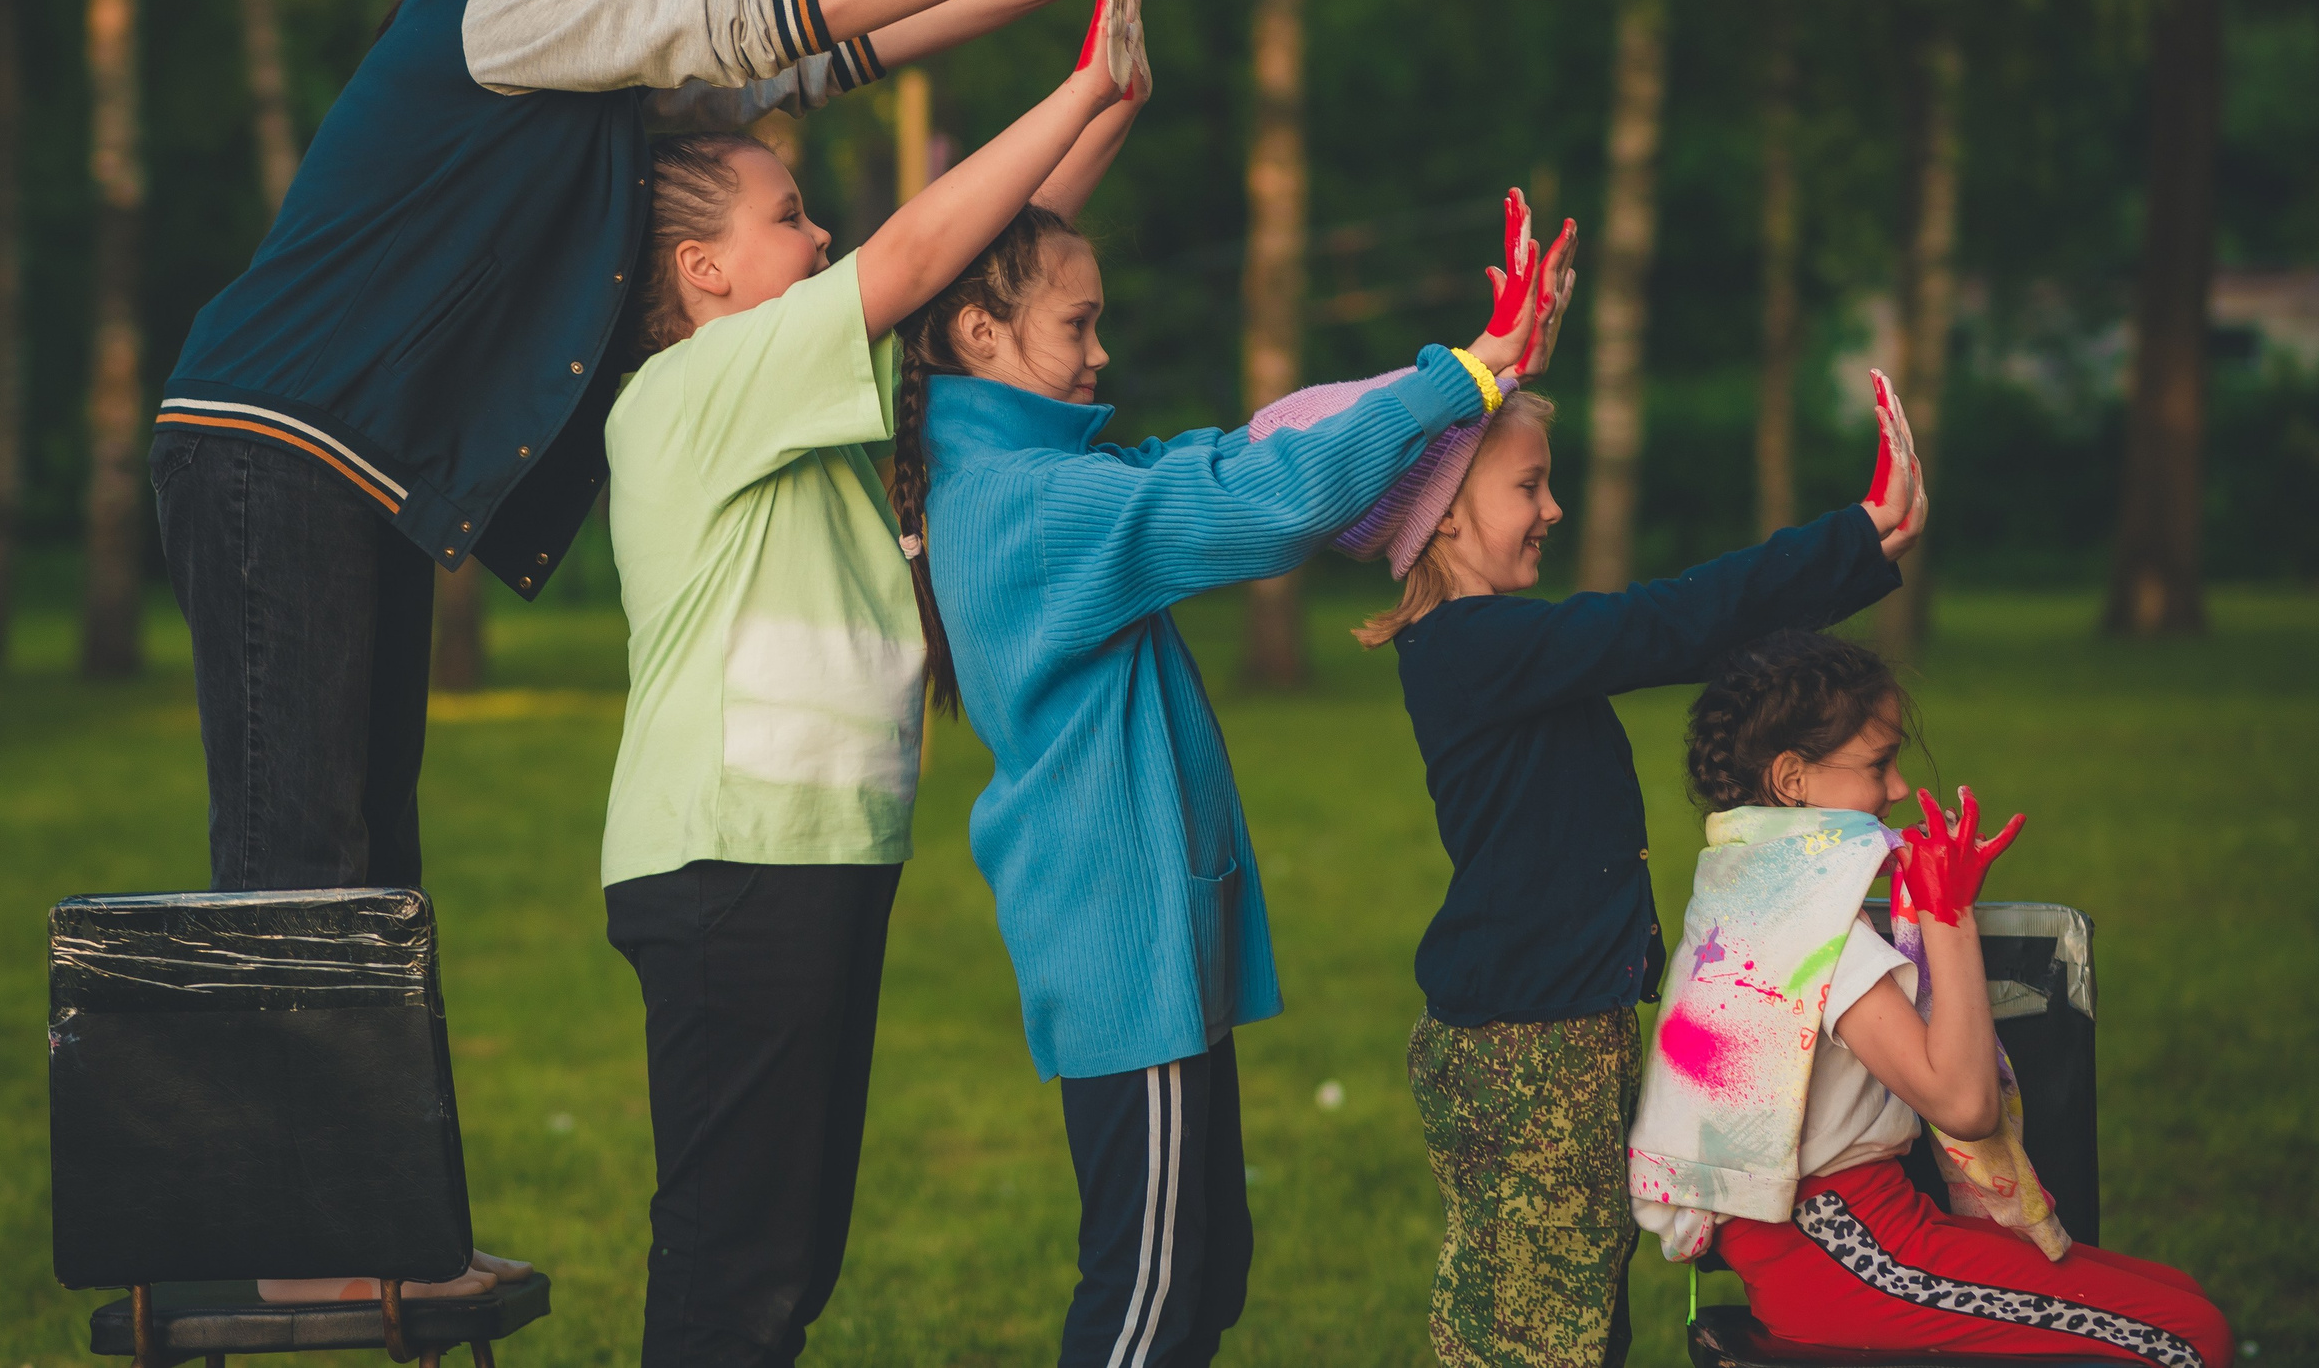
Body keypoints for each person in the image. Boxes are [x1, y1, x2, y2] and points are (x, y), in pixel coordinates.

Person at [151, 0, 1097, 899]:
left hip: (346, 462)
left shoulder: (594, 56)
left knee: (366, 871)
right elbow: (751, 15)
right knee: (298, 869)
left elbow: (792, 68)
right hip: (273, 440)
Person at [886, 182, 1569, 1367]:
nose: (1101, 351)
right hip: (1126, 948)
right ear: (978, 332)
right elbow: (1261, 500)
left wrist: (1476, 370)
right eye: (1077, 324)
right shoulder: (1035, 504)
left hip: (1148, 940)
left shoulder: (1032, 479)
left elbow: (1251, 445)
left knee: (1202, 1271)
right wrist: (1461, 378)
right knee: (1147, 1299)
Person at [596, 0, 1145, 1367]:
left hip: (809, 854)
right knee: (736, 1261)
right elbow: (915, 258)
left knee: (787, 1255)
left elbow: (983, 276)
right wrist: (1074, 83)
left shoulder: (787, 386)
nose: (823, 233)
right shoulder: (694, 386)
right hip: (731, 858)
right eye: (789, 216)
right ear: (703, 271)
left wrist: (1105, 105)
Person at [1362, 360, 1926, 1368]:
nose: (1553, 507)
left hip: (1555, 1027)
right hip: (1530, 1047)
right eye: (1528, 485)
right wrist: (1850, 537)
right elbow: (1663, 624)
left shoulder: (1492, 647)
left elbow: (1679, 636)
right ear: (1443, 514)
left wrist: (1857, 554)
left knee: (1565, 1311)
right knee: (1540, 1333)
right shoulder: (1472, 645)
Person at [1633, 631, 2233, 1367]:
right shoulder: (1814, 935)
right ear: (1792, 780)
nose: (1896, 788)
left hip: (1844, 1240)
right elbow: (1965, 1104)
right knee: (2188, 1337)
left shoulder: (1748, 892)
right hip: (1845, 1255)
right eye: (1877, 764)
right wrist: (1948, 915)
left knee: (2183, 1298)